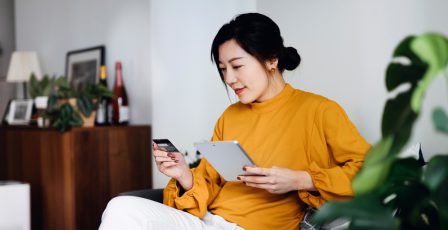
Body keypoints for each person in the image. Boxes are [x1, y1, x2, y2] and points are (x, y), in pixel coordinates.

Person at [100, 12, 371, 230]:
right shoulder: (230, 116)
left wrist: (300, 179)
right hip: (205, 221)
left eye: (237, 66)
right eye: (223, 69)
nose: (229, 79)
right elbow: (209, 182)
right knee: (120, 208)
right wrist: (184, 175)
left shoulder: (320, 110)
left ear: (271, 60)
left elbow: (370, 172)